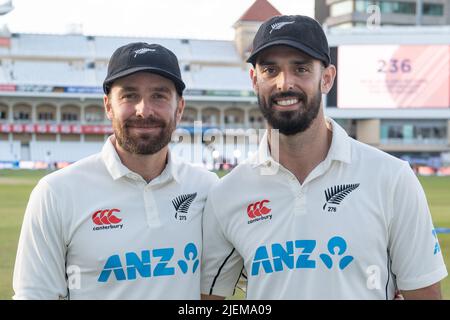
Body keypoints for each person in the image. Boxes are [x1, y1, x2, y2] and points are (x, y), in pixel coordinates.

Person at [200, 15, 447, 300]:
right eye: (270, 70)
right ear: (255, 80)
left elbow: (425, 294)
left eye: (301, 69)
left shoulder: (392, 178)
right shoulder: (227, 194)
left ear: (326, 78)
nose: (284, 83)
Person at [13, 42, 218, 299]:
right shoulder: (56, 193)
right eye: (129, 95)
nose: (144, 110)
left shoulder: (208, 189)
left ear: (179, 108)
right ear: (108, 106)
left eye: (159, 95)